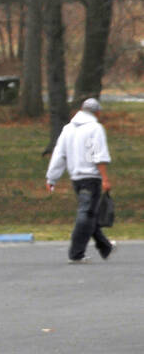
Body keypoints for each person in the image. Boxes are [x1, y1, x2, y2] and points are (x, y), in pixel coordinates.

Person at [45, 97, 115, 263]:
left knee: (90, 213)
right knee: (86, 213)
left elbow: (59, 154)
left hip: (76, 178)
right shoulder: (95, 129)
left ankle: (105, 246)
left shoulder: (68, 129)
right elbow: (97, 155)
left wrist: (51, 177)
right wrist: (105, 178)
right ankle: (76, 254)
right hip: (91, 178)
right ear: (97, 112)